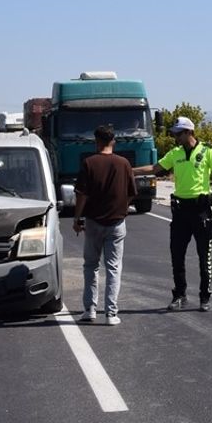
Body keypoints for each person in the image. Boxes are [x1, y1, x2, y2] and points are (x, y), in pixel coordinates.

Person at [132, 117, 212, 312]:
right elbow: (155, 168)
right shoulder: (174, 153)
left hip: (201, 211)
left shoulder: (207, 151)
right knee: (177, 255)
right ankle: (179, 295)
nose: (175, 137)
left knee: (204, 257)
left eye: (178, 133)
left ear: (188, 132)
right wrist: (128, 170)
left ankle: (204, 296)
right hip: (180, 212)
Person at [73, 124, 137, 325]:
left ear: (97, 141)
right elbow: (131, 193)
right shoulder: (124, 163)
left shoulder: (89, 163)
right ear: (113, 141)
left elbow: (81, 194)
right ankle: (111, 313)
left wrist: (77, 218)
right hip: (117, 223)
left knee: (91, 266)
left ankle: (89, 310)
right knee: (113, 268)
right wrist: (123, 210)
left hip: (93, 222)